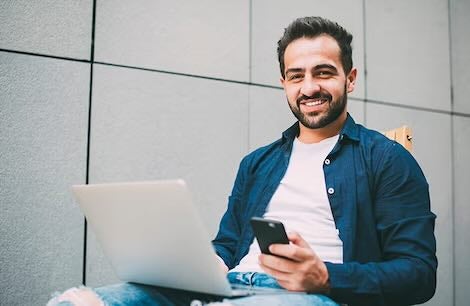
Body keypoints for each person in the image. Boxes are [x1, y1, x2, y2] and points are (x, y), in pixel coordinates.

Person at [49, 16, 437, 306]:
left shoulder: (386, 159)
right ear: (284, 82)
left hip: (310, 296)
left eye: (324, 73)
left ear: (349, 79)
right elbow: (228, 244)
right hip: (230, 287)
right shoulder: (257, 163)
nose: (309, 87)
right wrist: (209, 263)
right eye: (295, 75)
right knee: (84, 303)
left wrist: (325, 277)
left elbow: (419, 275)